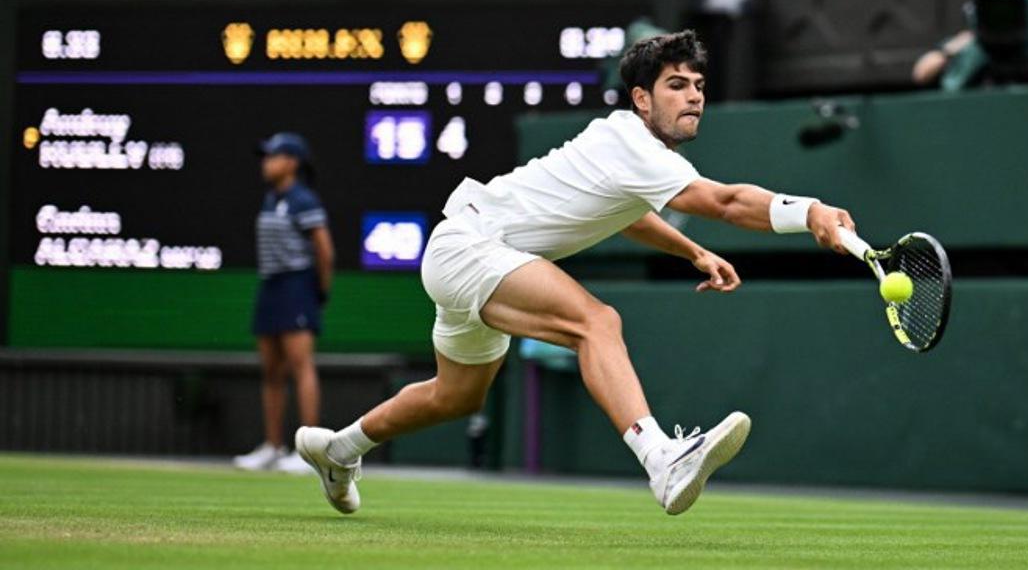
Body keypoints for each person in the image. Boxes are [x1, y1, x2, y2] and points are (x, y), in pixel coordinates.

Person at [294, 31, 857, 516]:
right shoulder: (631, 141)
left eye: (699, 87)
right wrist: (808, 211)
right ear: (642, 98)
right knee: (597, 322)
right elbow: (728, 203)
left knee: (455, 397)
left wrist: (691, 252)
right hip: (471, 246)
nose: (693, 98)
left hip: (470, 254)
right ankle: (661, 460)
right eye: (677, 86)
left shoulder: (629, 153)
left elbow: (628, 216)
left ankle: (337, 452)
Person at [235, 133, 334, 474]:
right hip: (271, 287)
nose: (266, 163)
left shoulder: (304, 200)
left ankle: (309, 452)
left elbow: (325, 252)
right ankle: (273, 447)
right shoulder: (269, 199)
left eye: (273, 156)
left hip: (297, 286)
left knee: (300, 365)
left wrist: (318, 292)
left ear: (291, 162)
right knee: (271, 370)